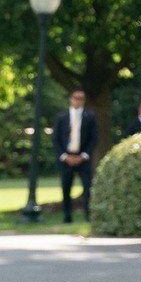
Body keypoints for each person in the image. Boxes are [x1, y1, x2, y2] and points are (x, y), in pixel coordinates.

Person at [53, 88, 98, 223]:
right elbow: (56, 139)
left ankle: (88, 216)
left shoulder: (90, 117)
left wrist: (83, 155)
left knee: (87, 187)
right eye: (76, 97)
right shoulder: (62, 117)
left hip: (82, 157)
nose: (78, 101)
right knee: (66, 187)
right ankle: (67, 216)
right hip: (66, 157)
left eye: (81, 98)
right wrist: (64, 156)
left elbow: (93, 138)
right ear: (71, 99)